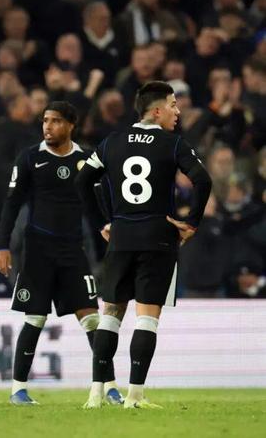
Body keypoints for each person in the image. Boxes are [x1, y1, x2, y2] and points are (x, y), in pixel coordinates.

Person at [75, 81, 212, 409]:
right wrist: (191, 223)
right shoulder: (172, 143)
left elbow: (82, 180)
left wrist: (104, 222)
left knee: (111, 314)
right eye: (173, 105)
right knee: (147, 317)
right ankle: (134, 396)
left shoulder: (112, 142)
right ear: (157, 111)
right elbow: (203, 180)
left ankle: (95, 393)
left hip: (121, 236)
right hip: (158, 237)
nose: (178, 111)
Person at [0, 101, 121, 406]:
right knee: (35, 317)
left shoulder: (86, 159)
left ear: (70, 125)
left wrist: (106, 227)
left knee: (92, 319)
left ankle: (110, 387)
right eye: (45, 121)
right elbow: (12, 203)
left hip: (73, 251)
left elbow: (96, 203)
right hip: (38, 250)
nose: (48, 127)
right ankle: (18, 390)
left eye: (55, 121)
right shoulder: (30, 157)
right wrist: (2, 246)